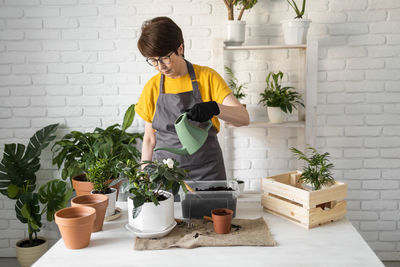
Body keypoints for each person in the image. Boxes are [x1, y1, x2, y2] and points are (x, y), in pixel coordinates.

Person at [135, 16, 249, 181]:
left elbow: (244, 118)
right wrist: (144, 176)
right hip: (166, 175)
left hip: (208, 171)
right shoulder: (152, 87)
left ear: (180, 48)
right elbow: (149, 139)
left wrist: (214, 108)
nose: (160, 67)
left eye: (164, 58)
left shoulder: (207, 77)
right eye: (153, 60)